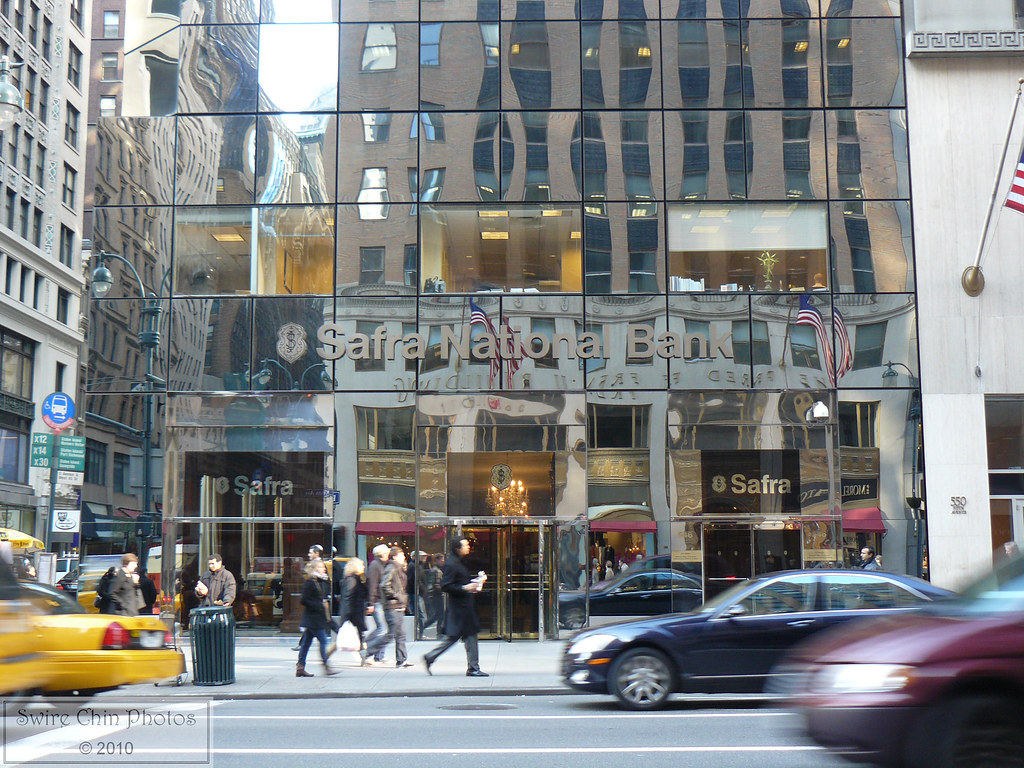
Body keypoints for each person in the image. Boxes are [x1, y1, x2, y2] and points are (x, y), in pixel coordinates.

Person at [423, 537, 488, 677]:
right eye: (465, 545)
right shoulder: (452, 564)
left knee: (457, 637)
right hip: (460, 609)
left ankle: (432, 657)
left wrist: (473, 584)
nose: (468, 547)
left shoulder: (460, 561)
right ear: (458, 548)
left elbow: (460, 581)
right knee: (466, 636)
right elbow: (446, 586)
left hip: (463, 606)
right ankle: (473, 668)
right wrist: (465, 588)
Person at [295, 559, 338, 677]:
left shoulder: (320, 581)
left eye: (323, 567)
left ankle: (300, 667)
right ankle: (326, 666)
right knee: (323, 641)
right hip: (313, 618)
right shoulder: (310, 582)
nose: (323, 569)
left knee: (306, 642)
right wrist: (318, 605)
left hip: (316, 617)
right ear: (313, 569)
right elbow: (304, 600)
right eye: (320, 567)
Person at [379, 547, 413, 668]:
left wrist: (402, 601)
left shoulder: (399, 568)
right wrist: (397, 596)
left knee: (401, 634)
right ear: (394, 557)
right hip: (392, 605)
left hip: (398, 605)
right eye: (401, 555)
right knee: (392, 634)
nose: (404, 557)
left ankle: (401, 659)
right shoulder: (392, 567)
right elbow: (384, 585)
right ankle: (369, 650)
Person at [364, 544, 391, 664]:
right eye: (386, 552)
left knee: (384, 629)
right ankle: (366, 646)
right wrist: (371, 602)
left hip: (381, 601)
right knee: (383, 629)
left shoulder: (381, 565)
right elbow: (372, 585)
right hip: (377, 601)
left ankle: (379, 655)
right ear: (382, 554)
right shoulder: (375, 566)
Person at [338, 558, 368, 649]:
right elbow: (348, 597)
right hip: (353, 614)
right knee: (358, 639)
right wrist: (347, 615)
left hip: (355, 613)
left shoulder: (357, 579)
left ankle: (363, 655)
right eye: (361, 565)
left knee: (359, 638)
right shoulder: (351, 580)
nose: (363, 567)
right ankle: (364, 655)